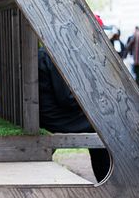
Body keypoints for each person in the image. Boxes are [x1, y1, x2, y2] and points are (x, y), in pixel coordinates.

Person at [38, 48, 110, 182]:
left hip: (46, 115)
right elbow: (67, 99)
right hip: (54, 118)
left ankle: (105, 176)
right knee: (103, 123)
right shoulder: (54, 54)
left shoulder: (45, 53)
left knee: (98, 121)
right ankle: (107, 178)